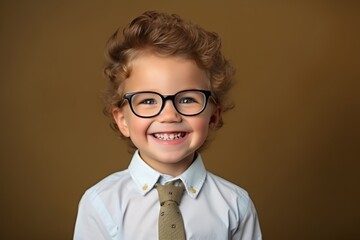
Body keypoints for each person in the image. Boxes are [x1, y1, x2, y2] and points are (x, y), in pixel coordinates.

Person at [74, 11, 262, 240]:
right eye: (148, 101)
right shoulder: (101, 203)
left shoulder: (235, 206)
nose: (169, 115)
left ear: (213, 117)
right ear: (123, 120)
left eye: (187, 99)